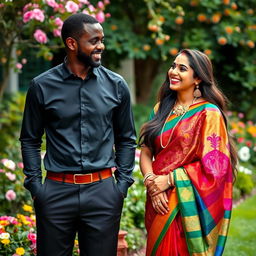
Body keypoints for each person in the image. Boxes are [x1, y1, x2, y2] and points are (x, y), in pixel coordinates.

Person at [19, 13, 136, 256]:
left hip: (103, 193)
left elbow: (126, 138)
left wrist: (121, 186)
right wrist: (36, 186)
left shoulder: (116, 85)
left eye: (102, 39)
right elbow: (30, 139)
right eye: (94, 41)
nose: (100, 46)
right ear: (72, 44)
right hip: (55, 193)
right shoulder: (41, 86)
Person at [139, 49, 237, 256]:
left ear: (198, 78)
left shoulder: (208, 114)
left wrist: (171, 179)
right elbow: (146, 151)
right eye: (173, 66)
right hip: (157, 198)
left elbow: (216, 167)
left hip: (184, 202)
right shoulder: (160, 109)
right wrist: (152, 183)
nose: (173, 71)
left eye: (182, 68)